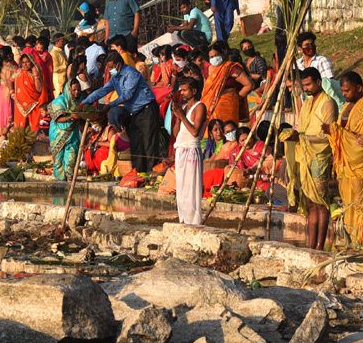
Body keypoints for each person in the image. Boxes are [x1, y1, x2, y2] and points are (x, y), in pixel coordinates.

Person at [81, 51, 163, 173]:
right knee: (136, 144)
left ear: (119, 65)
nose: (110, 70)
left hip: (147, 109)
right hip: (135, 113)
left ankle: (153, 174)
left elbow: (127, 95)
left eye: (111, 67)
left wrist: (109, 105)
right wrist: (84, 103)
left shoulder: (131, 73)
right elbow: (102, 91)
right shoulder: (115, 78)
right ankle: (139, 173)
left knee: (149, 143)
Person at [285, 67, 338, 250]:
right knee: (309, 203)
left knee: (320, 202)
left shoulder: (328, 103)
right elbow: (302, 129)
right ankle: (310, 245)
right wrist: (293, 135)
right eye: (304, 85)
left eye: (308, 84)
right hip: (305, 156)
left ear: (318, 82)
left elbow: (328, 135)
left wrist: (302, 138)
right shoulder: (306, 104)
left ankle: (320, 246)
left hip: (320, 156)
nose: (306, 88)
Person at [330, 71, 363, 247]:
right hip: (345, 165)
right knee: (348, 205)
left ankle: (361, 246)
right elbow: (344, 132)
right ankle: (349, 243)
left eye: (348, 91)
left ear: (359, 88)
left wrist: (337, 132)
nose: (344, 94)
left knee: (359, 207)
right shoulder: (347, 106)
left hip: (359, 164)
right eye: (342, 91)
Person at [170, 75, 207, 225]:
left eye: (185, 90)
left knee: (192, 188)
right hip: (181, 150)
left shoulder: (200, 107)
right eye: (182, 90)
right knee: (181, 189)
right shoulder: (184, 107)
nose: (183, 93)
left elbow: (195, 132)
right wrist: (178, 116)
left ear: (194, 91)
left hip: (192, 151)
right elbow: (175, 133)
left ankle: (194, 222)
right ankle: (183, 220)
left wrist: (182, 116)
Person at [201, 40, 255, 124]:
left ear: (222, 54)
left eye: (216, 55)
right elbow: (205, 89)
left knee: (229, 131)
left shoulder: (231, 67)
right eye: (211, 57)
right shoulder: (206, 70)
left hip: (228, 105)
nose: (214, 58)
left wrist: (236, 97)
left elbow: (249, 85)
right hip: (210, 107)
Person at [48, 77, 84, 181]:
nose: (76, 92)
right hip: (58, 133)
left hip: (73, 133)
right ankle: (60, 182)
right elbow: (57, 118)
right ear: (69, 90)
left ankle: (70, 178)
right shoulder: (59, 101)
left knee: (71, 158)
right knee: (58, 160)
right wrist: (70, 117)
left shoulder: (79, 101)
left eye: (78, 90)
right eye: (74, 90)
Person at [13, 50, 48, 133]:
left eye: (27, 62)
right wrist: (12, 93)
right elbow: (10, 80)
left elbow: (39, 89)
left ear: (32, 61)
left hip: (34, 104)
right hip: (20, 106)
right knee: (20, 129)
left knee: (32, 129)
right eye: (23, 62)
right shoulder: (19, 72)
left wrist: (35, 75)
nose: (25, 64)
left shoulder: (38, 71)